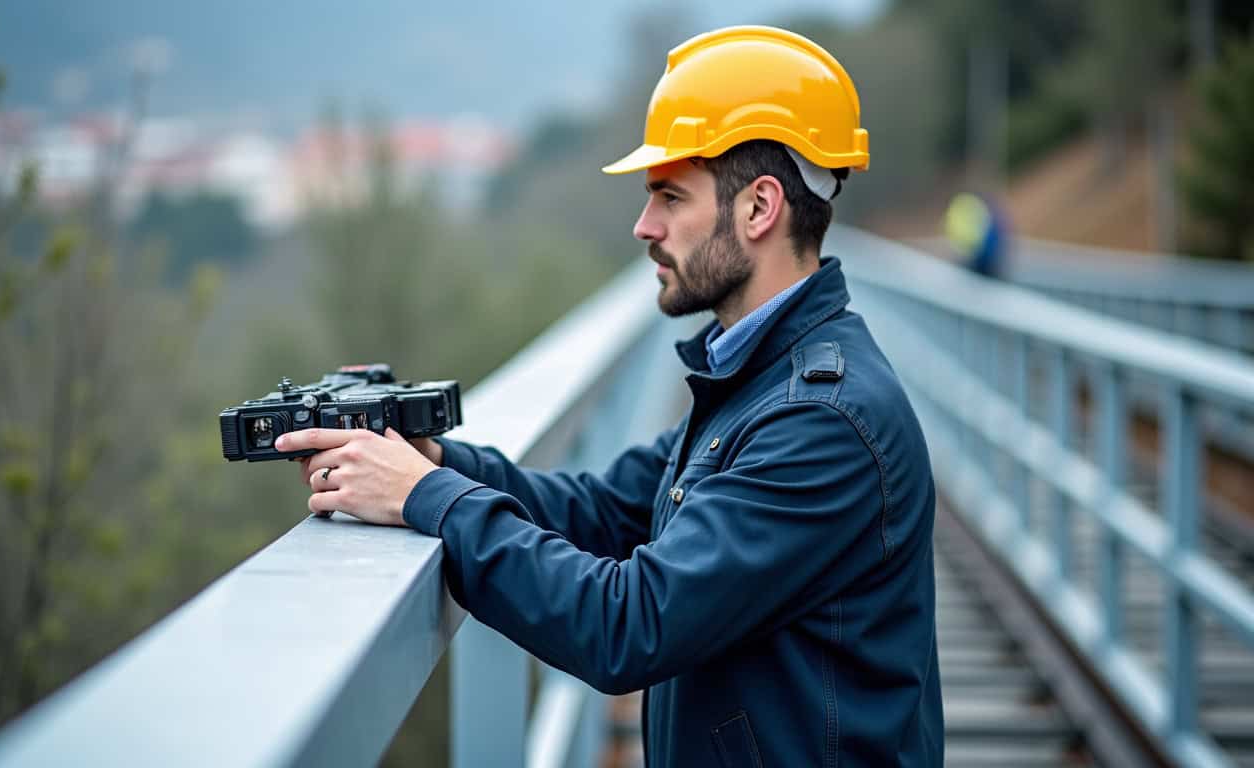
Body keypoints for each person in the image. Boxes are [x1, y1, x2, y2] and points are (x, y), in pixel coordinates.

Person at [277, 25, 943, 766]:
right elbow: (600, 511)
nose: (644, 226)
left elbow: (630, 624)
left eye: (669, 196)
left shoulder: (821, 422)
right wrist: (434, 462)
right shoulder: (757, 383)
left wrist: (428, 498)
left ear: (759, 209)